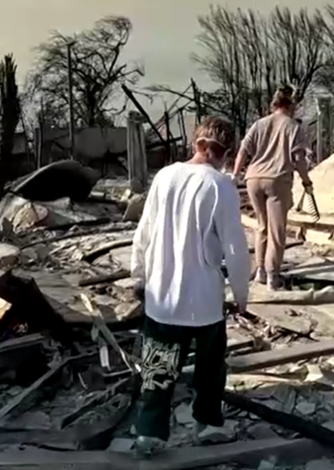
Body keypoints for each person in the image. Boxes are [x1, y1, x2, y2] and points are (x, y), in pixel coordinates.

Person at [130, 116, 250, 457]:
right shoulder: (220, 186)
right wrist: (241, 295)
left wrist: (138, 276)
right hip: (204, 298)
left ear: (195, 144)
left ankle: (148, 434)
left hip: (162, 297)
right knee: (210, 369)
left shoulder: (165, 176)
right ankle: (208, 425)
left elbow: (145, 232)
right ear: (225, 153)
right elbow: (235, 248)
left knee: (158, 367)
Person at [232, 84, 313, 291]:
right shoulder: (293, 127)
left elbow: (243, 150)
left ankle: (259, 269)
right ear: (291, 105)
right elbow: (299, 159)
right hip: (277, 179)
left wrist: (235, 174)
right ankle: (272, 275)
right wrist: (306, 181)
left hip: (253, 178)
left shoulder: (259, 124)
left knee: (261, 226)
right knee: (277, 230)